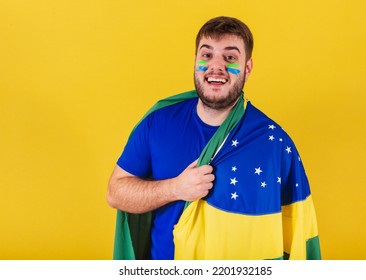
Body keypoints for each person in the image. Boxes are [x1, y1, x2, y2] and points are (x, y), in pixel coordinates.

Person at [107, 16, 321, 260]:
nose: (215, 66)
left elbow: (296, 233)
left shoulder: (274, 143)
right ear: (196, 60)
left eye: (230, 57)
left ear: (247, 68)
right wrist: (176, 188)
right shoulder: (158, 122)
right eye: (207, 55)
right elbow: (116, 193)